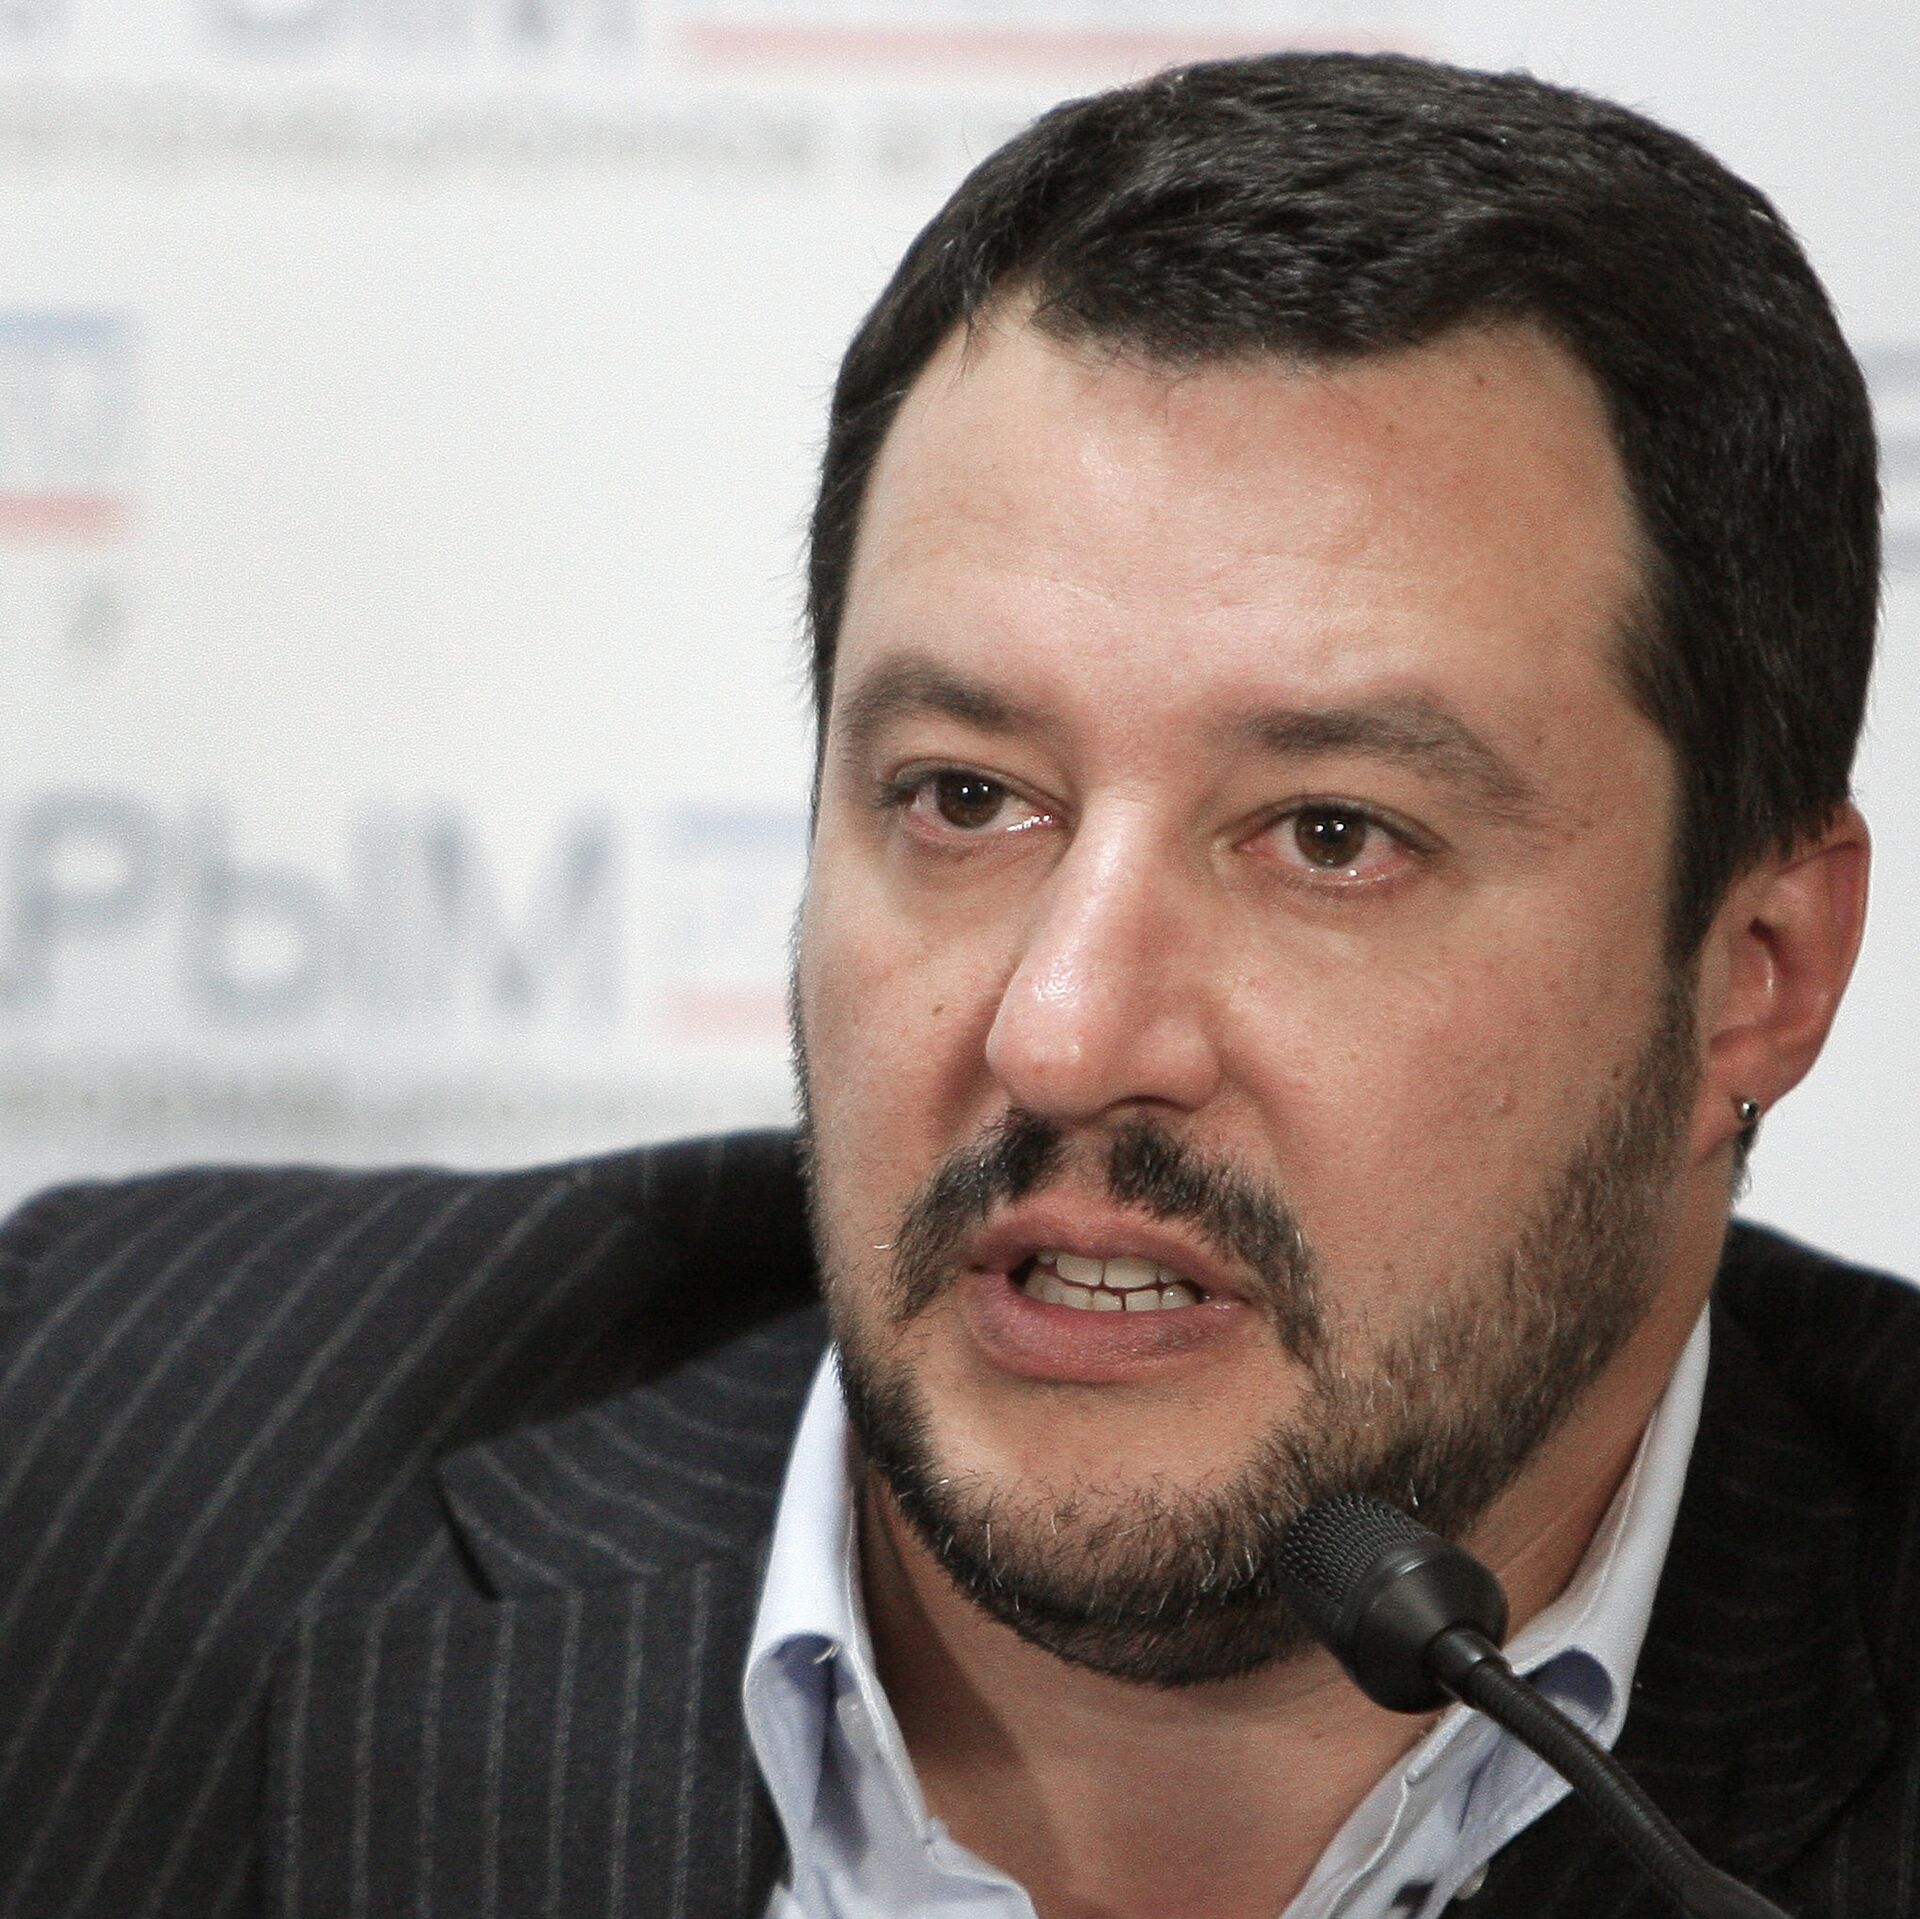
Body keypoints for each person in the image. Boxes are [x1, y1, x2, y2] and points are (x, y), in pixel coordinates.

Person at [0, 47, 1906, 1919]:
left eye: (1331, 837)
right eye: (969, 798)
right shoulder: (105, 1469)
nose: (1062, 1035)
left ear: (1760, 972)